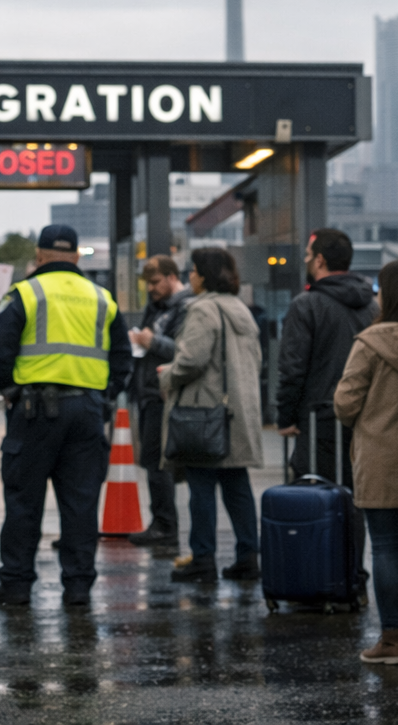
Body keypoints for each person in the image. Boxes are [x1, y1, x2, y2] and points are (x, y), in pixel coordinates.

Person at [0, 224, 131, 607]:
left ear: (40, 255)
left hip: (34, 413)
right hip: (88, 412)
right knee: (81, 504)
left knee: (24, 501)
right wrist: (104, 395)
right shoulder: (103, 299)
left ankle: (16, 585)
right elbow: (123, 358)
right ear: (77, 257)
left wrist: (11, 391)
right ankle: (78, 587)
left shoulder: (26, 293)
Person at [334, 259, 398, 665]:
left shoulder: (370, 343)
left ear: (388, 294)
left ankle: (392, 640)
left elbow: (345, 403)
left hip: (379, 459)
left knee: (385, 550)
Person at [160, 248, 264, 583]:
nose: (190, 276)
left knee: (201, 486)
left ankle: (203, 558)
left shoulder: (203, 309)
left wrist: (167, 375)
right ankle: (248, 556)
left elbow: (191, 360)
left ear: (204, 275)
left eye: (193, 271)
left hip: (205, 412)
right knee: (237, 485)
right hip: (237, 411)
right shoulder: (240, 310)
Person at [276, 228, 377, 482]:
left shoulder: (306, 305)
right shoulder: (372, 306)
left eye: (309, 255)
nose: (307, 261)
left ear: (320, 260)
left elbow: (292, 366)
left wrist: (286, 416)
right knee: (355, 494)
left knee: (317, 497)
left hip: (317, 419)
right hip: (363, 417)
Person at [125, 254, 193, 552]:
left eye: (155, 282)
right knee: (153, 461)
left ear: (170, 276)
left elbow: (185, 352)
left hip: (164, 393)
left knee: (160, 463)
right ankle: (161, 522)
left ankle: (165, 525)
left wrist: (152, 343)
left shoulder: (185, 307)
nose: (151, 288)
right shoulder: (156, 308)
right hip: (150, 391)